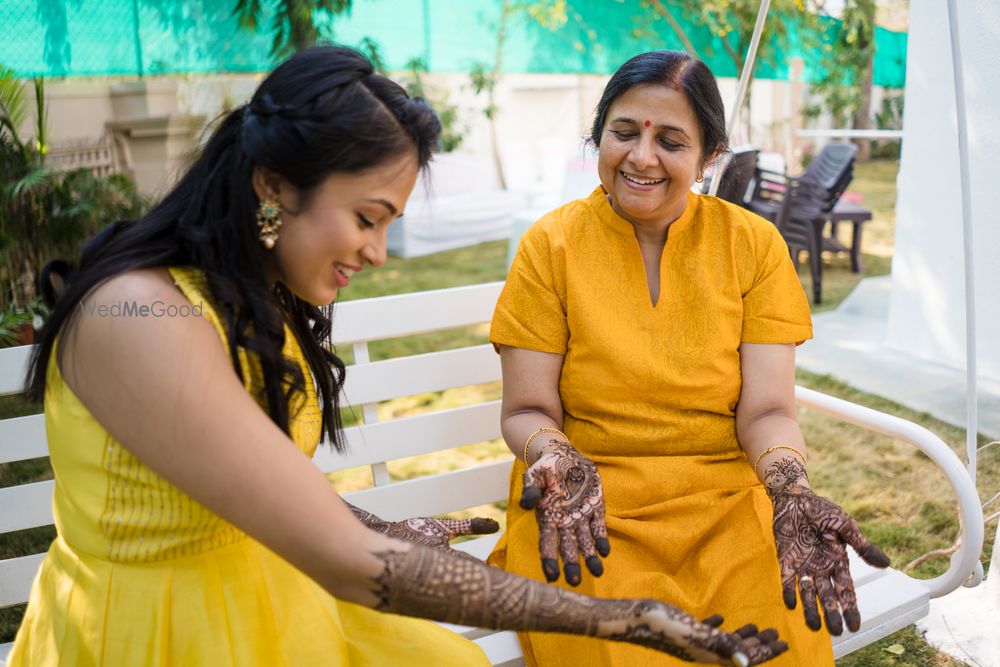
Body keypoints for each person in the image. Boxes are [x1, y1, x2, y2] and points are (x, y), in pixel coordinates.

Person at [8, 46, 789, 666]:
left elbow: (237, 477)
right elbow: (354, 565)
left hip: (269, 589)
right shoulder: (136, 315)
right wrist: (625, 618)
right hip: (154, 634)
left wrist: (374, 517)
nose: (380, 252)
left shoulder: (246, 296)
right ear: (273, 185)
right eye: (368, 217)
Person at [488, 50, 891, 666]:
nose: (641, 157)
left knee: (779, 649)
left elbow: (768, 413)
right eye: (623, 133)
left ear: (708, 157)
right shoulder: (552, 245)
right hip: (586, 507)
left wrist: (791, 492)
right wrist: (557, 460)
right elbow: (527, 409)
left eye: (670, 141)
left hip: (726, 506)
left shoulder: (752, 245)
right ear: (599, 137)